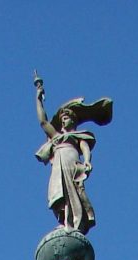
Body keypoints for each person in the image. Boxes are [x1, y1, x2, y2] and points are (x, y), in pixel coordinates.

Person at [33, 78, 113, 233]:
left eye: (66, 118)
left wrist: (88, 161)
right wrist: (38, 99)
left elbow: (84, 148)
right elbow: (43, 122)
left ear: (73, 120)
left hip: (72, 163)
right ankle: (64, 221)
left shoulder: (78, 136)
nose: (63, 122)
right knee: (58, 192)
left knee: (73, 192)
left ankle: (73, 223)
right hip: (59, 165)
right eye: (62, 120)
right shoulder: (56, 136)